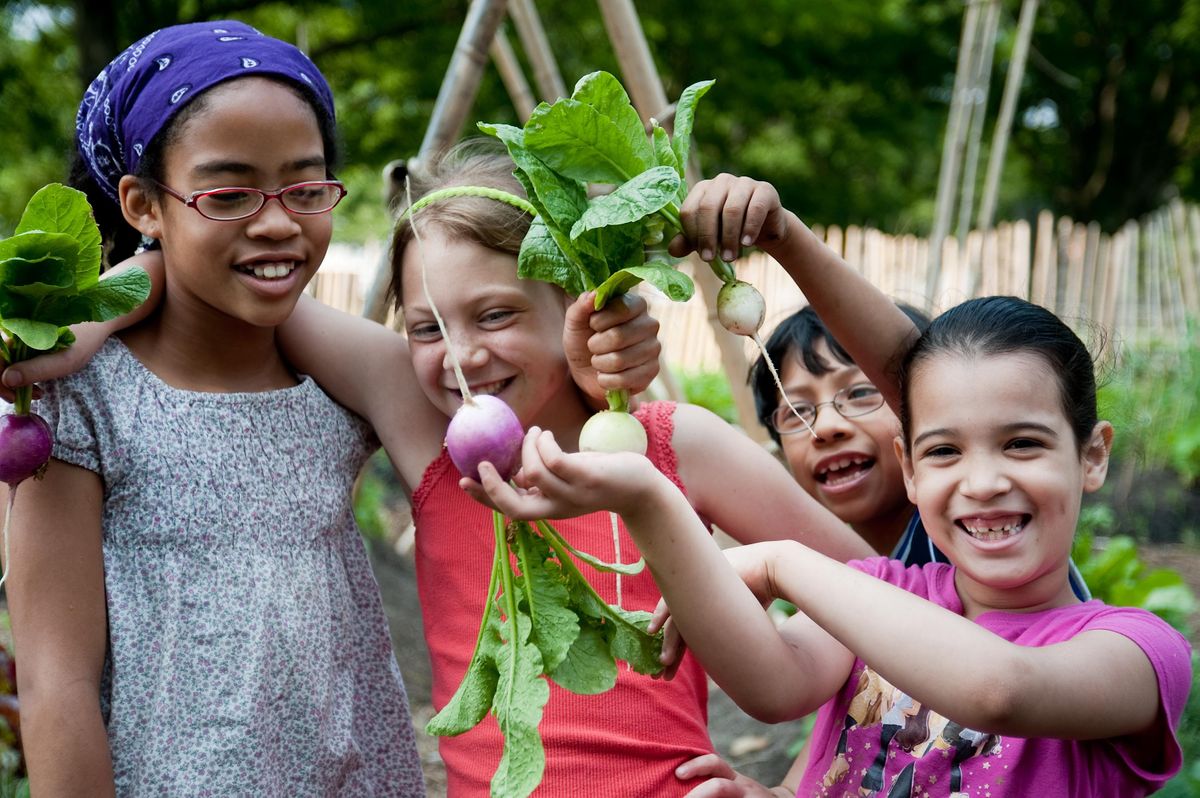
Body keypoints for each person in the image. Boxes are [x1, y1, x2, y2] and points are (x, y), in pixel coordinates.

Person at [473, 178, 1193, 797]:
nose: (983, 481)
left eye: (1023, 443)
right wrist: (648, 497)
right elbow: (770, 687)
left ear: (1091, 456)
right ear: (911, 469)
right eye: (944, 451)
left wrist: (774, 558)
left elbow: (999, 692)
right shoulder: (885, 591)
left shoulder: (1135, 651)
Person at [264, 138, 874, 796]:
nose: (461, 357)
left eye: (496, 315)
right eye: (428, 328)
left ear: (578, 301)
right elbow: (259, 297)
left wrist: (792, 787)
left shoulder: (672, 445)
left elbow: (884, 592)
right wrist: (148, 262)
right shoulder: (430, 434)